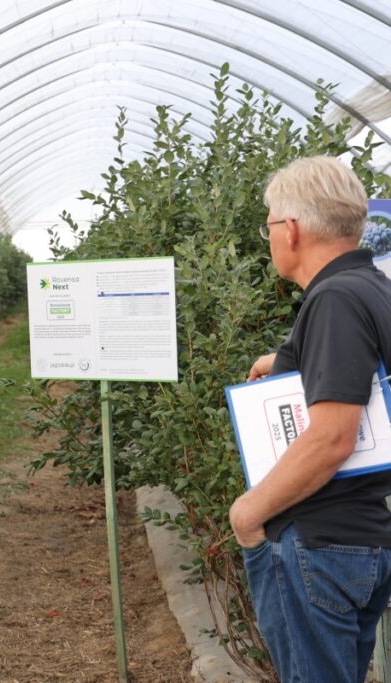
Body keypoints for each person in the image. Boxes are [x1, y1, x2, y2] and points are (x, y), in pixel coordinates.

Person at [229, 156, 391, 682]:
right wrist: (288, 363)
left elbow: (331, 438)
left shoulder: (334, 299)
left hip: (319, 545)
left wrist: (249, 513)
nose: (271, 237)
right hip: (362, 538)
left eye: (270, 225)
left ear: (292, 230)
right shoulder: (373, 287)